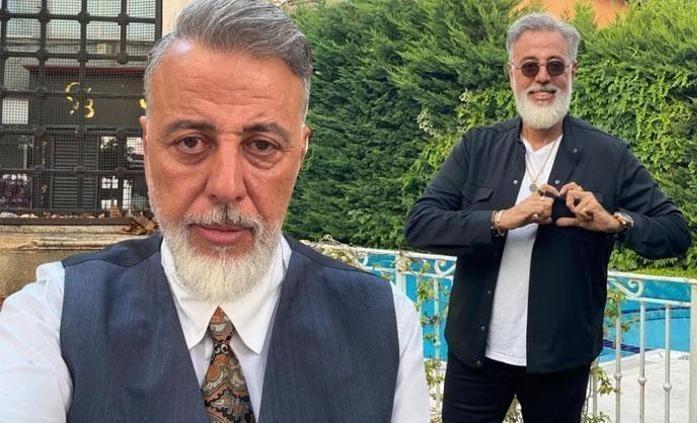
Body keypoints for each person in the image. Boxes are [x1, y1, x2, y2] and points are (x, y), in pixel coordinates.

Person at [0, 0, 429, 421]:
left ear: (300, 153)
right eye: (190, 142)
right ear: (147, 147)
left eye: (262, 146)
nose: (226, 187)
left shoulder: (385, 326)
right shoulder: (52, 318)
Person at [404, 12, 691, 423]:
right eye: (529, 67)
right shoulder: (478, 148)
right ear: (512, 74)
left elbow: (676, 233)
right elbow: (421, 223)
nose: (542, 77)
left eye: (555, 66)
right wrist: (501, 219)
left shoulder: (609, 156)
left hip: (560, 359)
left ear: (572, 71)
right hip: (476, 357)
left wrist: (616, 223)